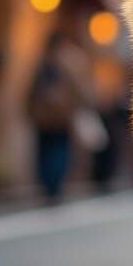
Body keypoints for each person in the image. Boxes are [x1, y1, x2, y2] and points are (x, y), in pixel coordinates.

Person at [27, 32, 86, 203]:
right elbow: (78, 92)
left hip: (44, 119)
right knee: (59, 152)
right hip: (60, 119)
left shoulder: (42, 64)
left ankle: (48, 186)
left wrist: (30, 111)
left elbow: (31, 92)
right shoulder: (69, 65)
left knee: (45, 153)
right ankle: (54, 187)